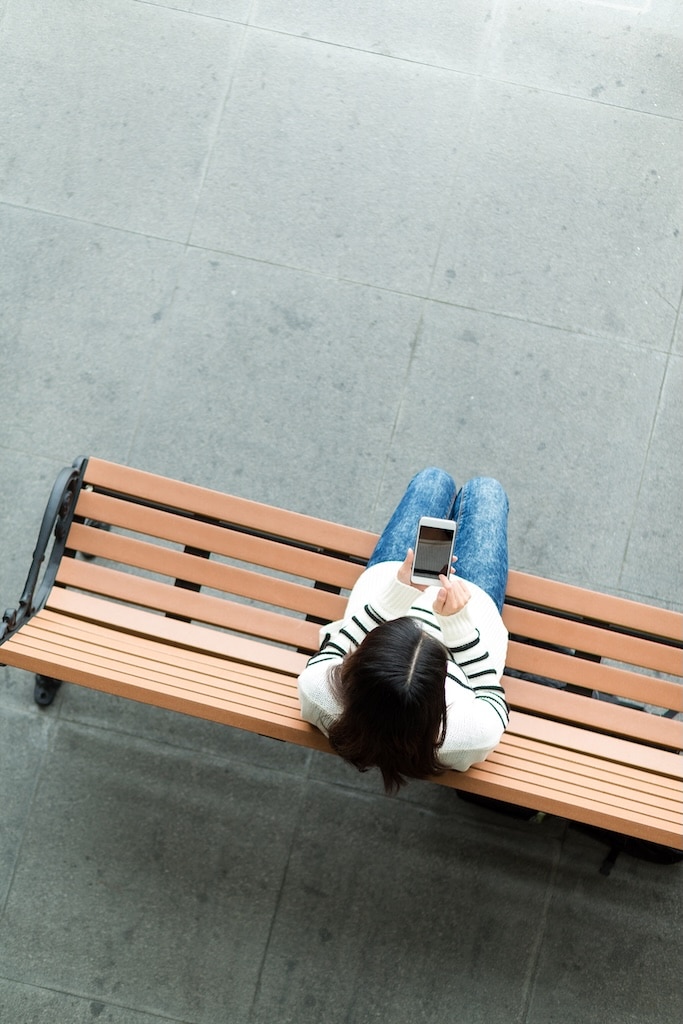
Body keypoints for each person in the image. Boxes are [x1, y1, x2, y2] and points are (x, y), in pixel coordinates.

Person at [297, 467, 510, 793]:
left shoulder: (319, 693)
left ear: (359, 665)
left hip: (396, 582)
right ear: (439, 696)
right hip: (471, 603)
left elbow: (332, 649)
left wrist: (397, 595)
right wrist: (459, 628)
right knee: (486, 490)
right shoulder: (466, 733)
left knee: (434, 480)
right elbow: (493, 699)